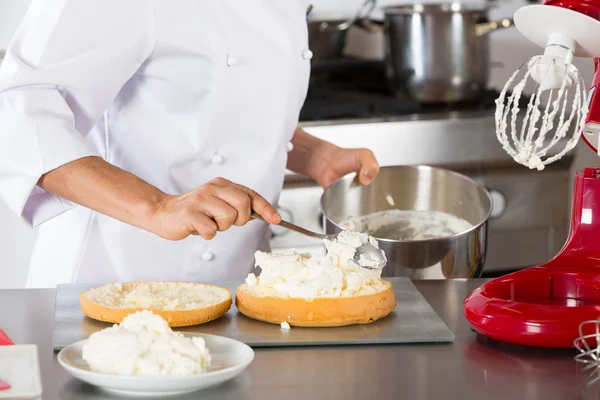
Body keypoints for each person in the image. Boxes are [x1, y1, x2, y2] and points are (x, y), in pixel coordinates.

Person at [0, 0, 380, 288]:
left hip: (237, 282)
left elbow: (212, 104)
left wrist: (313, 154)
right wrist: (157, 207)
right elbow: (18, 116)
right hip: (114, 278)